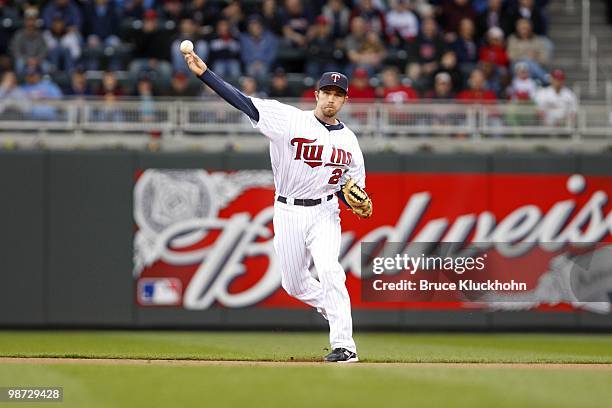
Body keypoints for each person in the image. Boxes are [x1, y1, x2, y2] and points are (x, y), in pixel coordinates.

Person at [183, 51, 370, 363]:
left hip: (325, 213)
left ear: (345, 101)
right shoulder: (288, 119)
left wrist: (353, 199)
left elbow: (351, 190)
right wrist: (206, 75)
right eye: (328, 93)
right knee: (294, 284)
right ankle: (337, 309)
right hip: (288, 211)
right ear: (317, 94)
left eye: (339, 95)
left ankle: (344, 345)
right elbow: (243, 102)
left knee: (330, 270)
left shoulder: (350, 142)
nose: (332, 100)